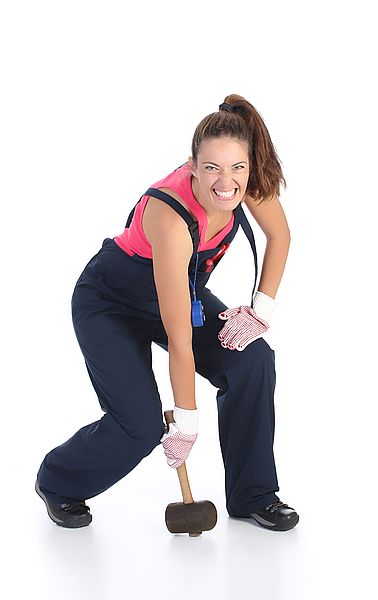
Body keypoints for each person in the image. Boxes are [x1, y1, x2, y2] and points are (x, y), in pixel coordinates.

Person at [35, 94, 299, 532]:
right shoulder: (171, 218)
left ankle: (254, 494)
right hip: (111, 303)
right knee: (139, 425)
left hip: (181, 292)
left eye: (237, 168)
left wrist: (260, 310)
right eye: (212, 168)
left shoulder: (242, 180)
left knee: (253, 360)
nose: (226, 182)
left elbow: (281, 234)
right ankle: (59, 481)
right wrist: (187, 422)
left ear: (248, 167)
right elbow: (180, 339)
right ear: (192, 165)